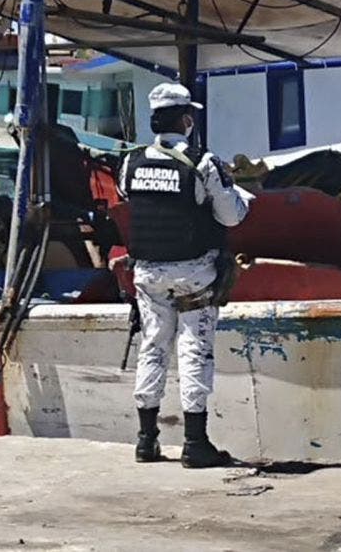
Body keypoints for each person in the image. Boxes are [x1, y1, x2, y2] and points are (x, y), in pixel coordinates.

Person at [119, 83, 253, 468]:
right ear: (185, 119)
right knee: (194, 350)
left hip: (148, 273)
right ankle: (195, 443)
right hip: (193, 273)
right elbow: (231, 216)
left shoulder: (130, 162)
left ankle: (146, 440)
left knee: (153, 348)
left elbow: (133, 200)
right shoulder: (201, 162)